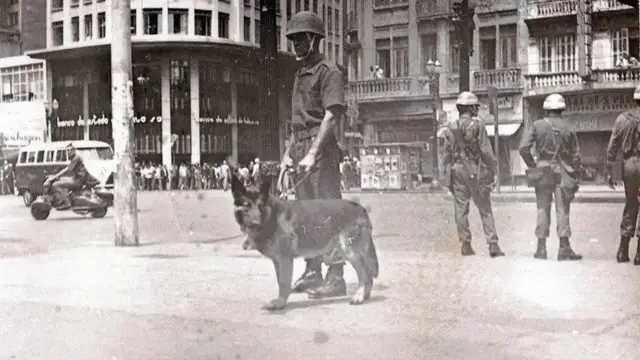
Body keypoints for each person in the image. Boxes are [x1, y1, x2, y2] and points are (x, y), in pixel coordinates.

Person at [283, 11, 347, 299]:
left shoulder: (328, 71)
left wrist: (311, 153)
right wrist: (288, 152)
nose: (296, 43)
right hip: (300, 148)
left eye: (301, 38)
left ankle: (335, 276)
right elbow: (297, 120)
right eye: (294, 39)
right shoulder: (300, 73)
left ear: (314, 39)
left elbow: (331, 115)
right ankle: (312, 270)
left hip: (321, 152)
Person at [519, 93, 582, 261]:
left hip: (542, 171)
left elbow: (523, 148)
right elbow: (576, 156)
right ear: (561, 109)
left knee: (542, 208)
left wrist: (533, 165)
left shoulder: (537, 125)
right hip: (562, 171)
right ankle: (564, 248)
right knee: (563, 209)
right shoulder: (568, 127)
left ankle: (541, 249)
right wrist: (575, 173)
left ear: (546, 109)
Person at [441, 91, 505, 257]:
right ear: (470, 108)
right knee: (484, 207)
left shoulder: (450, 129)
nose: (477, 109)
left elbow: (446, 155)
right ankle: (493, 244)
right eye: (475, 106)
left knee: (461, 209)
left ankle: (465, 244)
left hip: (457, 170)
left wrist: (447, 176)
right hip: (475, 170)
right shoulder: (477, 126)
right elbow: (486, 151)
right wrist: (494, 168)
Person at [605, 84, 640, 265]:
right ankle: (639, 254)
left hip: (630, 164)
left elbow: (612, 147)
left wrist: (610, 170)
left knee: (631, 203)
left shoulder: (622, 119)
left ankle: (622, 250)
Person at [46, 143, 96, 210]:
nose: (69, 152)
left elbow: (67, 169)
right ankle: (64, 197)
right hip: (77, 179)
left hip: (78, 181)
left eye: (70, 150)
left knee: (55, 185)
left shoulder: (76, 158)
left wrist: (54, 177)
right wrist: (55, 176)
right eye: (67, 151)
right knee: (61, 179)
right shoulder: (75, 158)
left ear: (74, 150)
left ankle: (67, 202)